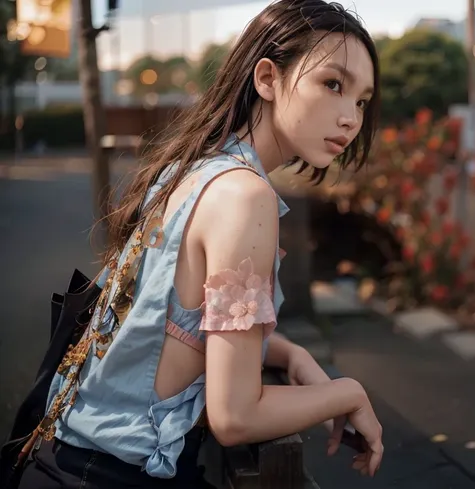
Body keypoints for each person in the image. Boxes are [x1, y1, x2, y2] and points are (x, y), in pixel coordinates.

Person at [18, 1, 383, 487]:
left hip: (67, 461)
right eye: (333, 84)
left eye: (361, 100)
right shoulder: (245, 196)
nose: (350, 118)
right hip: (117, 476)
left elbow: (178, 321)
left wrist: (287, 352)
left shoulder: (191, 172)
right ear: (268, 79)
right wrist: (350, 393)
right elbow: (236, 417)